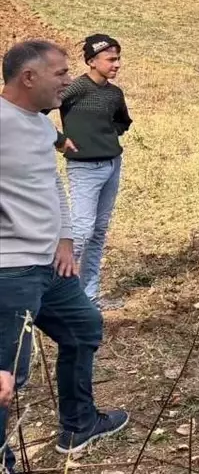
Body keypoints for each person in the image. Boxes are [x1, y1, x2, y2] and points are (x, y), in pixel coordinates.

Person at [1, 40, 130, 474]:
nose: (66, 80)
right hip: (8, 269)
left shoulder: (38, 124)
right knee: (5, 377)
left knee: (83, 327)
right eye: (59, 73)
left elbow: (50, 182)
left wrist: (63, 239)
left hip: (48, 263)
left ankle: (78, 423)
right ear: (28, 77)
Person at [60, 34, 133, 309]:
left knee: (99, 231)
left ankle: (89, 296)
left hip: (112, 165)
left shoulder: (114, 94)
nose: (117, 64)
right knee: (81, 231)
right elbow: (39, 110)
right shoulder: (75, 89)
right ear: (91, 61)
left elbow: (122, 122)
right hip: (84, 168)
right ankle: (57, 292)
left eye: (118, 59)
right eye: (111, 59)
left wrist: (104, 137)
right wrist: (58, 139)